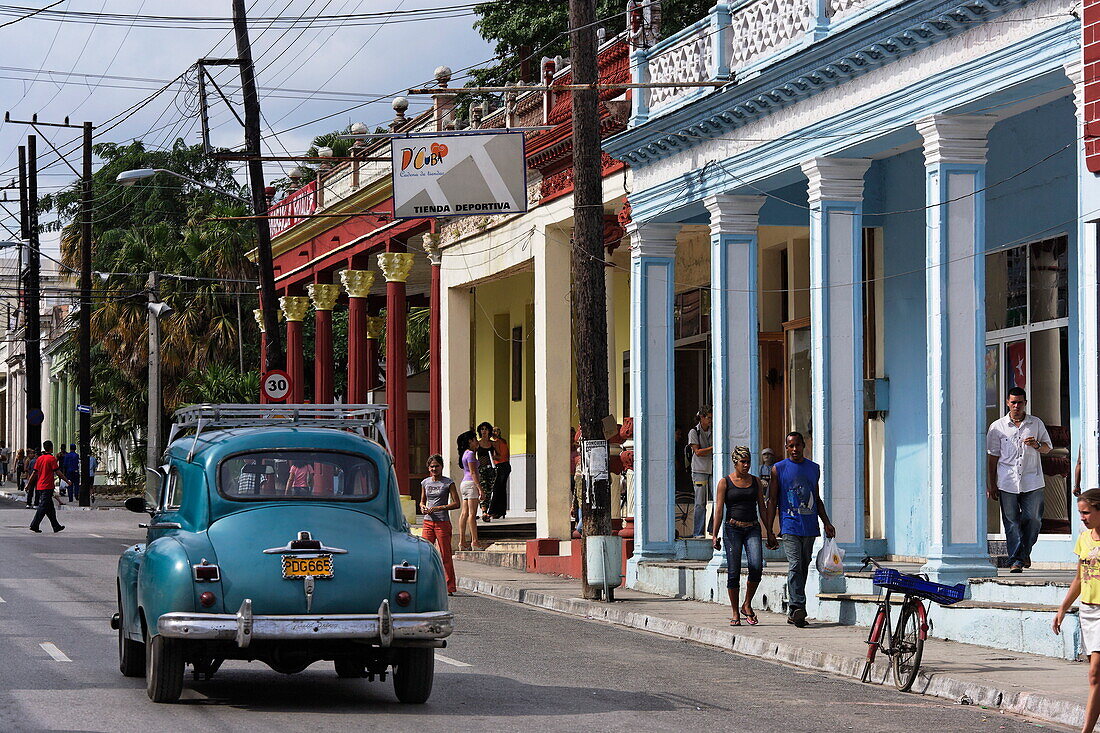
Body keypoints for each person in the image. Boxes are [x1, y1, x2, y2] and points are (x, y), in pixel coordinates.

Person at [766, 431, 835, 628]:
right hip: (789, 525)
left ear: (803, 446)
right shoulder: (778, 469)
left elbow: (817, 498)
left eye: (797, 445)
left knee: (803, 566)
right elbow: (772, 501)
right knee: (795, 564)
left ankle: (792, 612)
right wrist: (770, 529)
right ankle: (798, 607)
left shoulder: (813, 469)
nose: (794, 449)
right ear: (786, 447)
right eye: (790, 446)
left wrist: (826, 522)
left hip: (810, 526)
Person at [987, 387, 1052, 573]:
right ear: (1007, 403)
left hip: (1032, 480)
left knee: (1033, 519)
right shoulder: (997, 427)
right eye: (1013, 402)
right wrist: (991, 485)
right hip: (1007, 481)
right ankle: (1016, 560)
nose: (1016, 406)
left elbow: (1048, 447)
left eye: (1020, 402)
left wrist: (1036, 445)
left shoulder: (1035, 423)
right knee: (1011, 522)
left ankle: (1023, 553)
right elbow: (993, 457)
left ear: (1025, 403)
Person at [713, 446, 777, 626]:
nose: (746, 465)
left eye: (748, 461)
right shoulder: (725, 482)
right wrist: (714, 534)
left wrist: (770, 532)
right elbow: (719, 510)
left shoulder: (756, 482)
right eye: (743, 462)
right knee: (733, 571)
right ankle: (735, 612)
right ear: (735, 463)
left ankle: (747, 603)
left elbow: (762, 508)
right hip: (732, 529)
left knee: (756, 566)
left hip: (752, 528)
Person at [1054, 488, 1100, 733]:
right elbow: (1080, 577)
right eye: (1080, 513)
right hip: (1088, 611)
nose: (1082, 518)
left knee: (1095, 674)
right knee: (1096, 676)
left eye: (1087, 513)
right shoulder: (1084, 539)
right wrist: (1063, 607)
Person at [420, 454, 460, 595]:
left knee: (445, 555)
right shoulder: (425, 483)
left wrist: (439, 508)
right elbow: (422, 501)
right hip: (428, 522)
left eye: (437, 466)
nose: (434, 469)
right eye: (432, 466)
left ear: (442, 467)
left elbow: (457, 503)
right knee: (425, 554)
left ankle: (449, 587)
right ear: (428, 468)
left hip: (442, 522)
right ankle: (424, 584)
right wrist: (422, 507)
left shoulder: (448, 483)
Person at [28, 440, 69, 534]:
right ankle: (34, 525)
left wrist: (28, 484)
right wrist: (67, 481)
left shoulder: (39, 459)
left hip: (40, 486)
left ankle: (56, 526)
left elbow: (34, 473)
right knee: (43, 506)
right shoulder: (52, 459)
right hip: (47, 486)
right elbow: (58, 472)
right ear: (51, 448)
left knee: (50, 508)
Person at [688, 407, 714, 538]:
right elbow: (697, 452)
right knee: (700, 502)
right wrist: (714, 448)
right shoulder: (694, 432)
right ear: (702, 418)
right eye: (708, 417)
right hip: (699, 470)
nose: (710, 420)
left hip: (712, 469)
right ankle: (698, 532)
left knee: (718, 499)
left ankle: (712, 527)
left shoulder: (713, 430)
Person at [457, 430, 483, 551]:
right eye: (475, 439)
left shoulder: (465, 453)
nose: (477, 441)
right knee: (472, 514)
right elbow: (473, 472)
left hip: (464, 484)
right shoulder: (471, 454)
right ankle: (475, 541)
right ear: (470, 441)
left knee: (464, 512)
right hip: (471, 484)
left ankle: (462, 541)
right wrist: (480, 488)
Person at [475, 422, 497, 522]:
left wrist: (494, 458)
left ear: (489, 431)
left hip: (491, 469)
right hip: (481, 469)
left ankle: (486, 510)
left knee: (489, 490)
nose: (484, 431)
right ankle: (484, 511)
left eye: (486, 429)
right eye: (482, 429)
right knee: (483, 489)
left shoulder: (492, 443)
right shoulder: (478, 444)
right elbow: (473, 455)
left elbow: (499, 455)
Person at [489, 427, 510, 520]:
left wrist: (492, 457)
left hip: (501, 466)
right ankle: (500, 511)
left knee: (497, 489)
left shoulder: (498, 442)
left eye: (496, 430)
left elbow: (500, 456)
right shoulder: (503, 441)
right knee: (501, 490)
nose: (495, 432)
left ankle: (494, 511)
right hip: (505, 466)